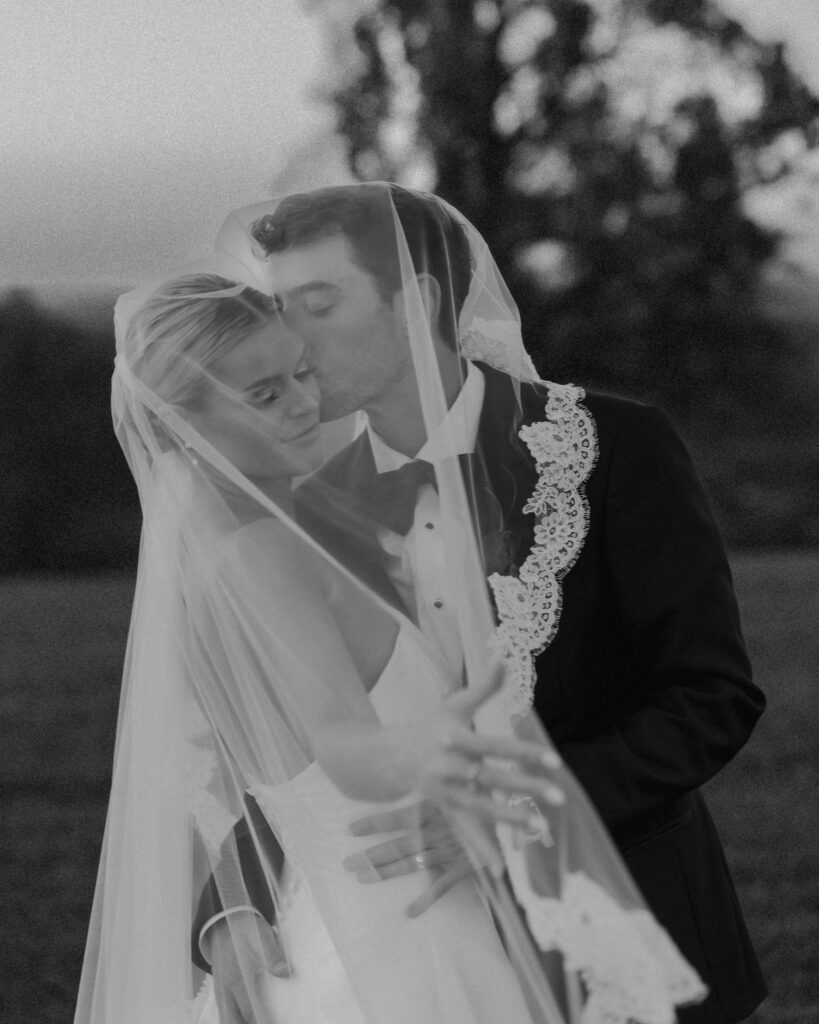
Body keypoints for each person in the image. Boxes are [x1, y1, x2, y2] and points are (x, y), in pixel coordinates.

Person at [75, 262, 704, 1024]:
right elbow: (331, 737)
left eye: (300, 373)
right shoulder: (263, 551)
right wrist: (425, 758)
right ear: (181, 420)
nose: (306, 404)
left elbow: (705, 692)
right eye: (264, 394)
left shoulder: (240, 535)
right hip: (403, 931)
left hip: (367, 915)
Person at [208, 182, 768, 1024]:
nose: (290, 335)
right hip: (411, 963)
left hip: (625, 926)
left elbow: (709, 698)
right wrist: (230, 909)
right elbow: (281, 739)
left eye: (318, 304)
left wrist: (512, 821)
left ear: (416, 301)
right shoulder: (306, 516)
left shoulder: (611, 447)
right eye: (280, 306)